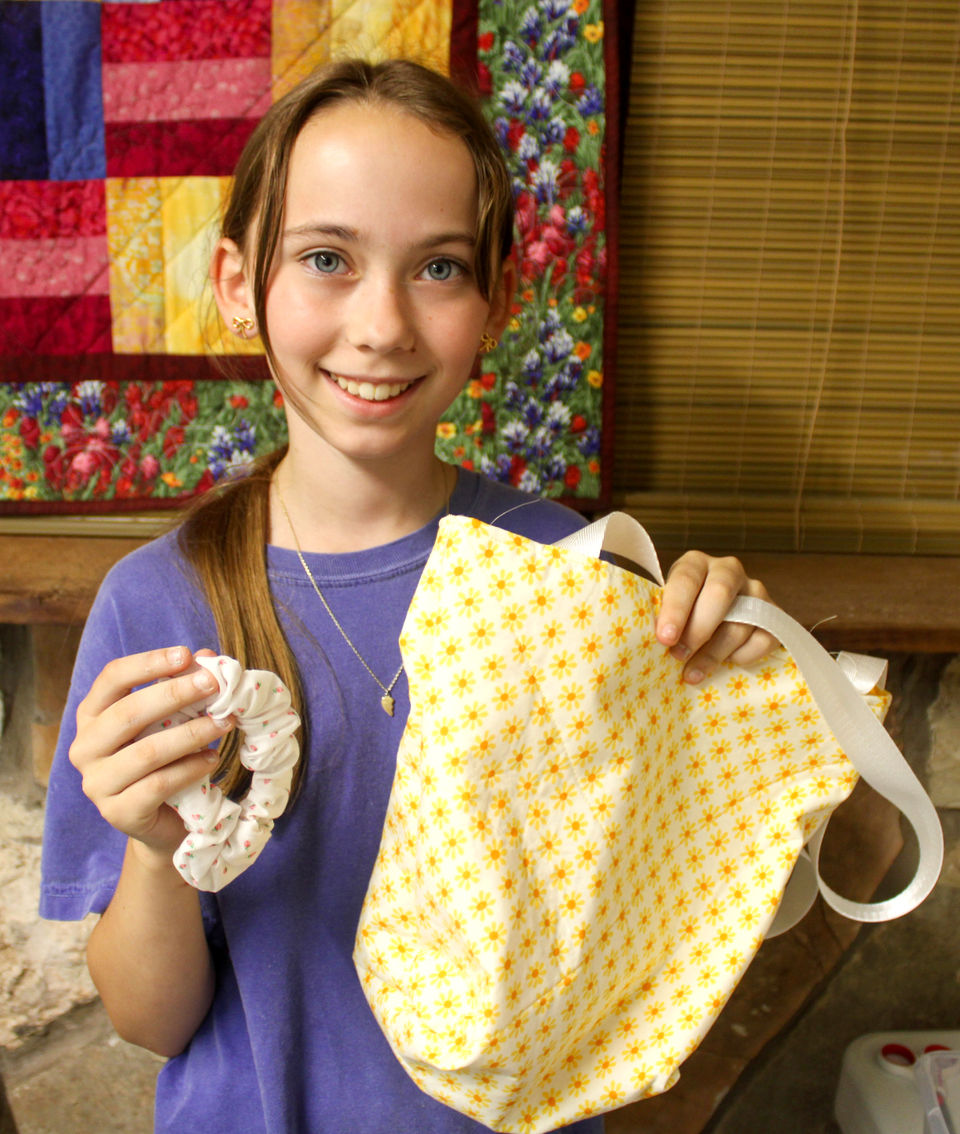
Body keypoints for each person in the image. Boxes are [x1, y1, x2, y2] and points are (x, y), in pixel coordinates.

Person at [40, 58, 774, 1134]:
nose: (382, 325)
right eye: (328, 258)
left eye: (437, 268)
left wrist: (730, 677)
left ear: (499, 300)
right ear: (240, 280)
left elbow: (645, 932)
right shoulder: (158, 605)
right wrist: (157, 848)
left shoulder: (572, 573)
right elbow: (152, 1022)